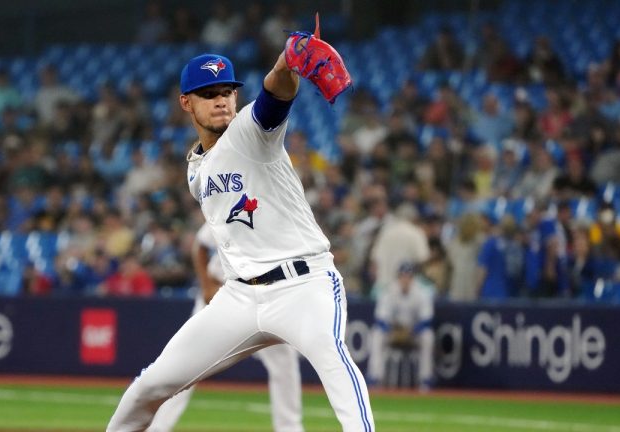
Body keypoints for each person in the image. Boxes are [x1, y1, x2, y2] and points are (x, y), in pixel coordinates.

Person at [107, 48, 374, 431]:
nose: (221, 100)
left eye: (227, 91)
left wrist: (286, 62)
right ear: (186, 102)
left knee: (336, 365)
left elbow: (275, 95)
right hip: (240, 297)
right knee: (150, 384)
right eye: (208, 93)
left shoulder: (250, 132)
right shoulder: (196, 168)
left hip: (303, 285)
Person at [148, 223, 304, 431]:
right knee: (186, 363)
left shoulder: (281, 217)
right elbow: (201, 245)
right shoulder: (231, 208)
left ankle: (289, 428)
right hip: (222, 295)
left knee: (284, 363)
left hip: (262, 300)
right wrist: (205, 285)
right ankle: (157, 428)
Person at [366, 263, 435, 391]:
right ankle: (375, 377)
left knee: (428, 336)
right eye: (403, 276)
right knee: (377, 334)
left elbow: (427, 320)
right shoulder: (389, 291)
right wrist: (392, 332)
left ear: (413, 277)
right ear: (398, 277)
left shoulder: (421, 292)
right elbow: (380, 319)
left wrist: (411, 332)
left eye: (408, 276)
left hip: (413, 333)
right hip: (393, 333)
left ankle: (426, 379)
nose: (405, 279)